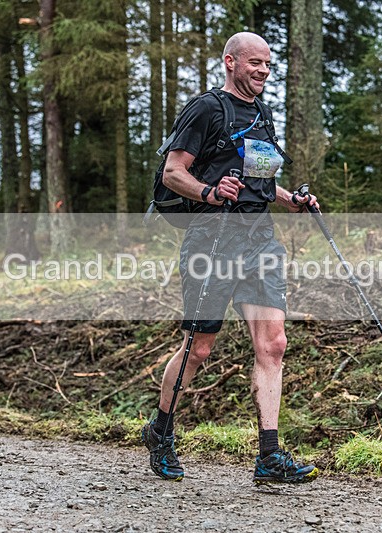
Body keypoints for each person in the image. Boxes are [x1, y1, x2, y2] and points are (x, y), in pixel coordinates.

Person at [141, 32, 320, 484]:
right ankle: (160, 431)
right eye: (254, 63)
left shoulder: (262, 113)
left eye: (267, 64)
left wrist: (290, 200)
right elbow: (173, 172)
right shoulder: (206, 109)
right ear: (230, 62)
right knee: (199, 347)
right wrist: (209, 192)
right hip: (211, 240)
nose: (262, 71)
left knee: (273, 343)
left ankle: (269, 456)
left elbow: (259, 182)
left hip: (259, 239)